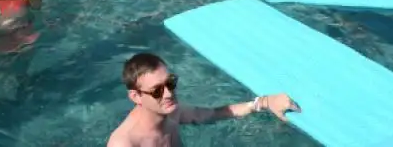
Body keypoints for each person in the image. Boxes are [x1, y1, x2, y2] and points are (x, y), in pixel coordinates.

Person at [107, 52, 298, 147]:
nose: (168, 94)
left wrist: (264, 102)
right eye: (156, 91)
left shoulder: (174, 112)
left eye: (170, 83)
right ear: (136, 97)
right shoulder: (125, 144)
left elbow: (218, 113)